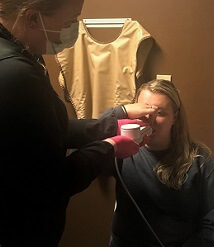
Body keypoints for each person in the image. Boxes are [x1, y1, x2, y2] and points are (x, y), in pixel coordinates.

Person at [0, 0, 157, 246]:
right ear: (32, 18)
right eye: (70, 21)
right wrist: (111, 147)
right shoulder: (17, 75)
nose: (72, 28)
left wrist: (118, 115)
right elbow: (53, 182)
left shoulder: (20, 54)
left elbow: (49, 130)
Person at [109, 79, 214, 247]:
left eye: (159, 113)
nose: (149, 119)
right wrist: (118, 114)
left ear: (174, 117)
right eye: (143, 111)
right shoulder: (122, 152)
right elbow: (80, 152)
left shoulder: (199, 161)